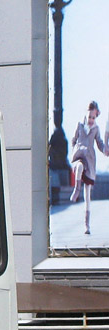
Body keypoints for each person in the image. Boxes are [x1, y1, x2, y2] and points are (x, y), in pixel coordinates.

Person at [70, 100, 106, 234]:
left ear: (96, 117)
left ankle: (87, 225)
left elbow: (100, 143)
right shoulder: (79, 125)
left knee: (88, 196)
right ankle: (76, 189)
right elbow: (73, 139)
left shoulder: (96, 129)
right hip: (79, 155)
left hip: (89, 160)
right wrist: (74, 151)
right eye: (89, 116)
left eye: (93, 117)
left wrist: (105, 150)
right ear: (86, 114)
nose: (91, 120)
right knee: (79, 167)